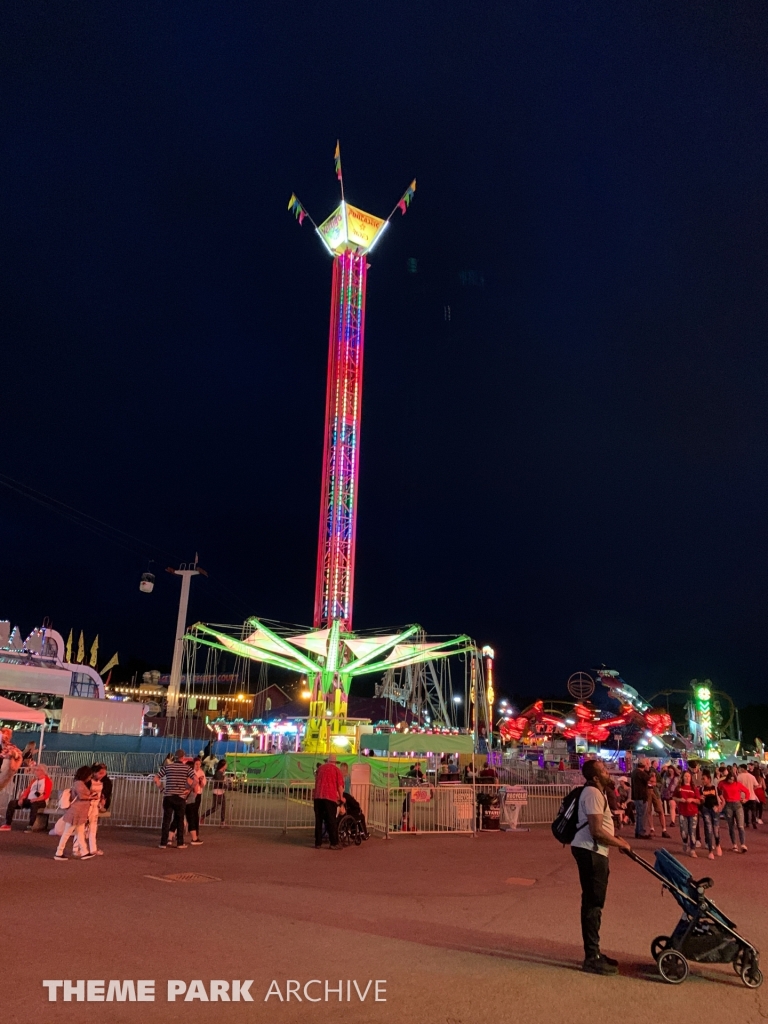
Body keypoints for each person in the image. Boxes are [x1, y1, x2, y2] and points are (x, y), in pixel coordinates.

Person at [570, 759, 631, 975]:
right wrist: (620, 843)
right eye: (604, 770)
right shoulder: (594, 794)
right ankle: (592, 956)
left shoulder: (596, 792)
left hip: (594, 851)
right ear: (596, 777)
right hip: (591, 851)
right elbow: (596, 831)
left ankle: (594, 952)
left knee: (594, 903)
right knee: (593, 904)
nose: (609, 772)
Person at [154, 748, 195, 849]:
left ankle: (163, 842)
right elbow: (196, 780)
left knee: (166, 820)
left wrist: (162, 789)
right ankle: (180, 842)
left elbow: (156, 778)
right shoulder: (187, 768)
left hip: (168, 796)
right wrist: (188, 789)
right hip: (180, 796)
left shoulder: (168, 767)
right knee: (180, 819)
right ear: (183, 757)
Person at [54, 765, 97, 861]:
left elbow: (83, 795)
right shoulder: (79, 784)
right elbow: (82, 796)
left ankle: (84, 852)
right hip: (76, 813)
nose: (90, 778)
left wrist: (90, 795)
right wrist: (92, 796)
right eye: (89, 776)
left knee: (79, 833)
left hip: (77, 813)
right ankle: (59, 852)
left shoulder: (78, 783)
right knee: (68, 832)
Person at [1, 764, 52, 832]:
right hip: (30, 800)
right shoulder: (34, 781)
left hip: (41, 801)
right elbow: (27, 791)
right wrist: (21, 798)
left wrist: (36, 799)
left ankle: (30, 826)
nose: (34, 771)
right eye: (34, 770)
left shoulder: (47, 781)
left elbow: (46, 795)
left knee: (34, 804)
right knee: (12, 803)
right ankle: (8, 824)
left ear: (42, 771)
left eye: (36, 770)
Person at [74, 763, 107, 857]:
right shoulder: (88, 782)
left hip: (95, 807)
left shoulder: (101, 782)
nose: (102, 775)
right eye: (100, 773)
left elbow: (101, 794)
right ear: (94, 772)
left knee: (93, 828)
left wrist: (101, 800)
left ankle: (93, 848)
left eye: (104, 773)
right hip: (87, 806)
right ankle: (76, 848)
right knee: (82, 828)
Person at [313, 754, 344, 850]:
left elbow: (316, 781)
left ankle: (318, 842)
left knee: (318, 820)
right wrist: (341, 797)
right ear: (335, 762)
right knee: (331, 820)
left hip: (318, 797)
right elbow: (339, 786)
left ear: (327, 761)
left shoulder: (320, 769)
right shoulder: (336, 770)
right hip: (329, 797)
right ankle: (334, 842)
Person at [718, 767, 750, 853]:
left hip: (738, 805)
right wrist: (721, 799)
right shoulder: (722, 783)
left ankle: (743, 844)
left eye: (732, 780)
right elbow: (718, 790)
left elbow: (747, 791)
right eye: (730, 779)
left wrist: (746, 799)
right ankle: (734, 844)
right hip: (728, 805)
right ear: (727, 778)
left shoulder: (737, 784)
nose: (731, 781)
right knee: (731, 826)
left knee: (740, 826)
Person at [699, 768, 723, 860]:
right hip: (706, 810)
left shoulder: (715, 788)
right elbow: (701, 802)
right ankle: (710, 851)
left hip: (715, 810)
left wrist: (720, 807)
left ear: (709, 779)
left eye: (704, 779)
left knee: (716, 830)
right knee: (708, 830)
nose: (702, 780)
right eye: (702, 779)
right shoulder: (701, 789)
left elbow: (722, 799)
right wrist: (701, 800)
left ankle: (717, 844)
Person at [676, 770, 701, 858]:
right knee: (684, 831)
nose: (687, 778)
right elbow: (674, 797)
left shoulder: (694, 788)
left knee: (692, 832)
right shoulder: (679, 787)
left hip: (693, 812)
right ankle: (685, 841)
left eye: (689, 777)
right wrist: (680, 800)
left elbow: (699, 800)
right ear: (683, 777)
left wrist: (692, 800)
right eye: (685, 776)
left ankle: (693, 850)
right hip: (683, 812)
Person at [184, 756, 206, 845]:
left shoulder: (202, 772)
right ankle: (191, 834)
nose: (197, 765)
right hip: (191, 795)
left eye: (199, 764)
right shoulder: (190, 772)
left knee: (194, 814)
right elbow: (194, 786)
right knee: (188, 814)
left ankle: (195, 832)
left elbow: (202, 785)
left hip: (196, 795)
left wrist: (201, 781)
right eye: (196, 764)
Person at [201, 759, 228, 826]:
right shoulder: (218, 773)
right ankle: (203, 816)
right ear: (223, 765)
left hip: (222, 792)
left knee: (223, 807)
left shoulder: (222, 773)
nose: (227, 766)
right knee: (215, 808)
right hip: (217, 792)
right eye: (226, 764)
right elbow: (220, 782)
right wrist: (227, 787)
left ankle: (223, 821)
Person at [646, 767, 671, 838]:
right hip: (647, 792)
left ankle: (664, 830)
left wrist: (655, 784)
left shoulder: (655, 772)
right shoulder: (644, 773)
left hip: (655, 792)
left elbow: (661, 782)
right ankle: (652, 829)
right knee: (648, 810)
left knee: (660, 811)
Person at [631, 758, 651, 838]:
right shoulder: (640, 773)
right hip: (641, 796)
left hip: (636, 796)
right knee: (642, 815)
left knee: (639, 815)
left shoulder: (634, 772)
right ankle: (641, 832)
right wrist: (648, 769)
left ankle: (638, 831)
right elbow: (649, 778)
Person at [737, 765, 759, 830]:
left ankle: (747, 823)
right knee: (753, 811)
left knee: (745, 811)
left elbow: (738, 787)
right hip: (752, 796)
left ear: (743, 769)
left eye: (740, 768)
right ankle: (754, 823)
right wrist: (752, 789)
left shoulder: (739, 776)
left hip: (743, 797)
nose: (739, 769)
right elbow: (757, 785)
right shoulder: (752, 776)